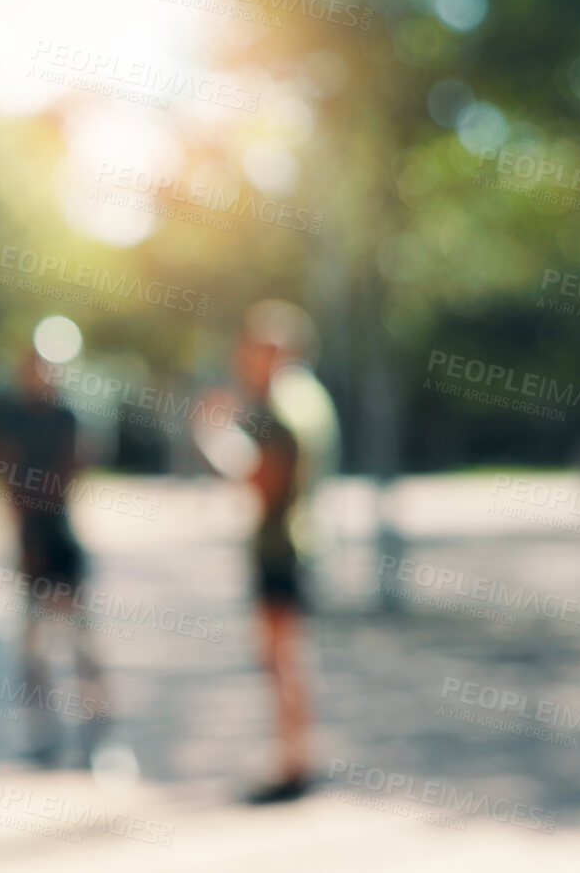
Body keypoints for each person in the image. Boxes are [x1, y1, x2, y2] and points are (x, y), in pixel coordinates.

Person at [197, 301, 338, 804]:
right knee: (292, 657)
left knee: (281, 660)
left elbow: (261, 479)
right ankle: (298, 755)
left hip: (280, 548)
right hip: (303, 541)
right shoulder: (311, 396)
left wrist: (215, 437)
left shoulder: (279, 403)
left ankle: (294, 762)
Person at [0, 349, 106, 767]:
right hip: (30, 544)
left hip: (61, 543)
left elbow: (70, 467)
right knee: (34, 650)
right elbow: (2, 471)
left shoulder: (67, 416)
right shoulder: (13, 418)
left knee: (81, 645)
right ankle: (45, 737)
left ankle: (96, 737)